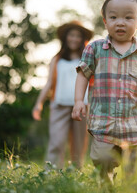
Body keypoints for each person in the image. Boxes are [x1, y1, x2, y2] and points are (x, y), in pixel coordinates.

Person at [72, 0, 137, 190]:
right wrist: (79, 101)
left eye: (128, 17)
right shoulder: (95, 49)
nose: (120, 22)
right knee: (102, 160)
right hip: (104, 123)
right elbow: (83, 74)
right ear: (105, 21)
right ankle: (107, 186)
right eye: (113, 17)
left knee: (135, 177)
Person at [32, 21, 93, 169]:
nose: (74, 39)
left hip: (81, 106)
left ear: (82, 39)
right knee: (57, 141)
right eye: (71, 35)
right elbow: (48, 83)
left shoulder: (87, 59)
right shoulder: (57, 59)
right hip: (59, 105)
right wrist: (38, 104)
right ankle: (50, 172)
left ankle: (76, 172)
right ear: (66, 38)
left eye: (78, 36)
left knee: (79, 144)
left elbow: (92, 85)